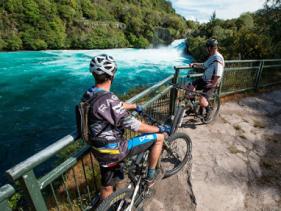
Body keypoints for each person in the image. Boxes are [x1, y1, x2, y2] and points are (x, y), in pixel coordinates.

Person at [80, 54, 170, 201]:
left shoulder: (89, 94)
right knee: (158, 138)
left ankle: (107, 205)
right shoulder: (109, 99)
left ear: (94, 74)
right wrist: (159, 129)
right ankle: (150, 178)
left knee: (107, 186)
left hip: (98, 149)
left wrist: (133, 105)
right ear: (112, 75)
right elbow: (135, 126)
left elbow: (112, 106)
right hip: (115, 149)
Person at [189, 38, 225, 117]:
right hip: (204, 79)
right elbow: (204, 65)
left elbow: (218, 73)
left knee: (202, 100)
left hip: (211, 82)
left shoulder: (217, 58)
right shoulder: (212, 56)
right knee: (190, 87)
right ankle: (193, 108)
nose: (207, 49)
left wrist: (213, 84)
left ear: (210, 47)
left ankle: (208, 111)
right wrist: (194, 64)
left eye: (207, 47)